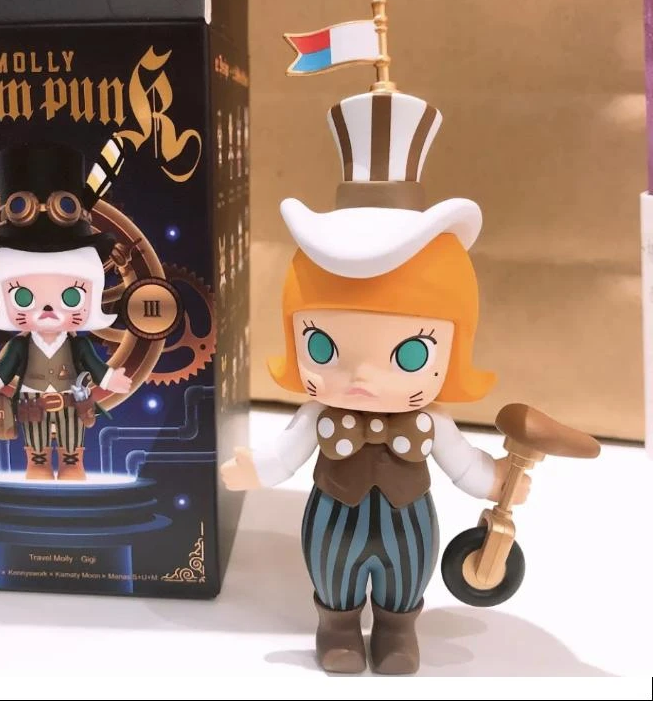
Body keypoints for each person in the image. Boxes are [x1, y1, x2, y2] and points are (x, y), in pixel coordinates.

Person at [221, 89, 529, 675]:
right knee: (333, 572)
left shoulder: (430, 420)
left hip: (409, 524)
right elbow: (286, 452)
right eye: (322, 346)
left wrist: (497, 481)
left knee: (405, 576)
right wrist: (255, 469)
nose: (362, 376)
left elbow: (463, 464)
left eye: (410, 354)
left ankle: (397, 631)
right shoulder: (319, 416)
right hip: (331, 520)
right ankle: (336, 627)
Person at [0, 143, 132, 481]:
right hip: (33, 403)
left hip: (71, 401)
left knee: (73, 444)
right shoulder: (19, 345)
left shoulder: (78, 344)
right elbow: (6, 368)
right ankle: (38, 464)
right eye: (24, 296)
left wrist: (109, 379)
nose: (47, 309)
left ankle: (73, 464)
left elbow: (94, 365)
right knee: (36, 443)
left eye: (71, 297)